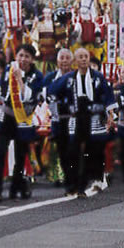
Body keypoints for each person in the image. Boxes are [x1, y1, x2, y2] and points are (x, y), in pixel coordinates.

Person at [50, 47, 116, 197]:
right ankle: (72, 185)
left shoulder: (98, 77)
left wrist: (110, 115)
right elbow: (53, 91)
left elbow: (108, 96)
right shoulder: (69, 79)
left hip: (93, 117)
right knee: (73, 152)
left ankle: (83, 185)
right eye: (80, 57)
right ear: (75, 60)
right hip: (75, 118)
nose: (84, 59)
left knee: (91, 152)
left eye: (86, 56)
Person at [0, 44, 43, 202]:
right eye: (21, 55)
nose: (23, 59)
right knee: (0, 152)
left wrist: (20, 80)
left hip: (24, 118)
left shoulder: (37, 76)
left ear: (32, 59)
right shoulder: (9, 69)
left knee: (20, 156)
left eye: (27, 56)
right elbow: (0, 91)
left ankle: (15, 187)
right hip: (7, 115)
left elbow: (30, 97)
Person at [41, 48, 73, 193]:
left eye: (67, 58)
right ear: (57, 61)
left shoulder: (77, 76)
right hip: (57, 120)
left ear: (72, 61)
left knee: (73, 149)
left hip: (74, 120)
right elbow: (46, 97)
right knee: (62, 150)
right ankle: (67, 178)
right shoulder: (50, 78)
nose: (65, 61)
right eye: (62, 58)